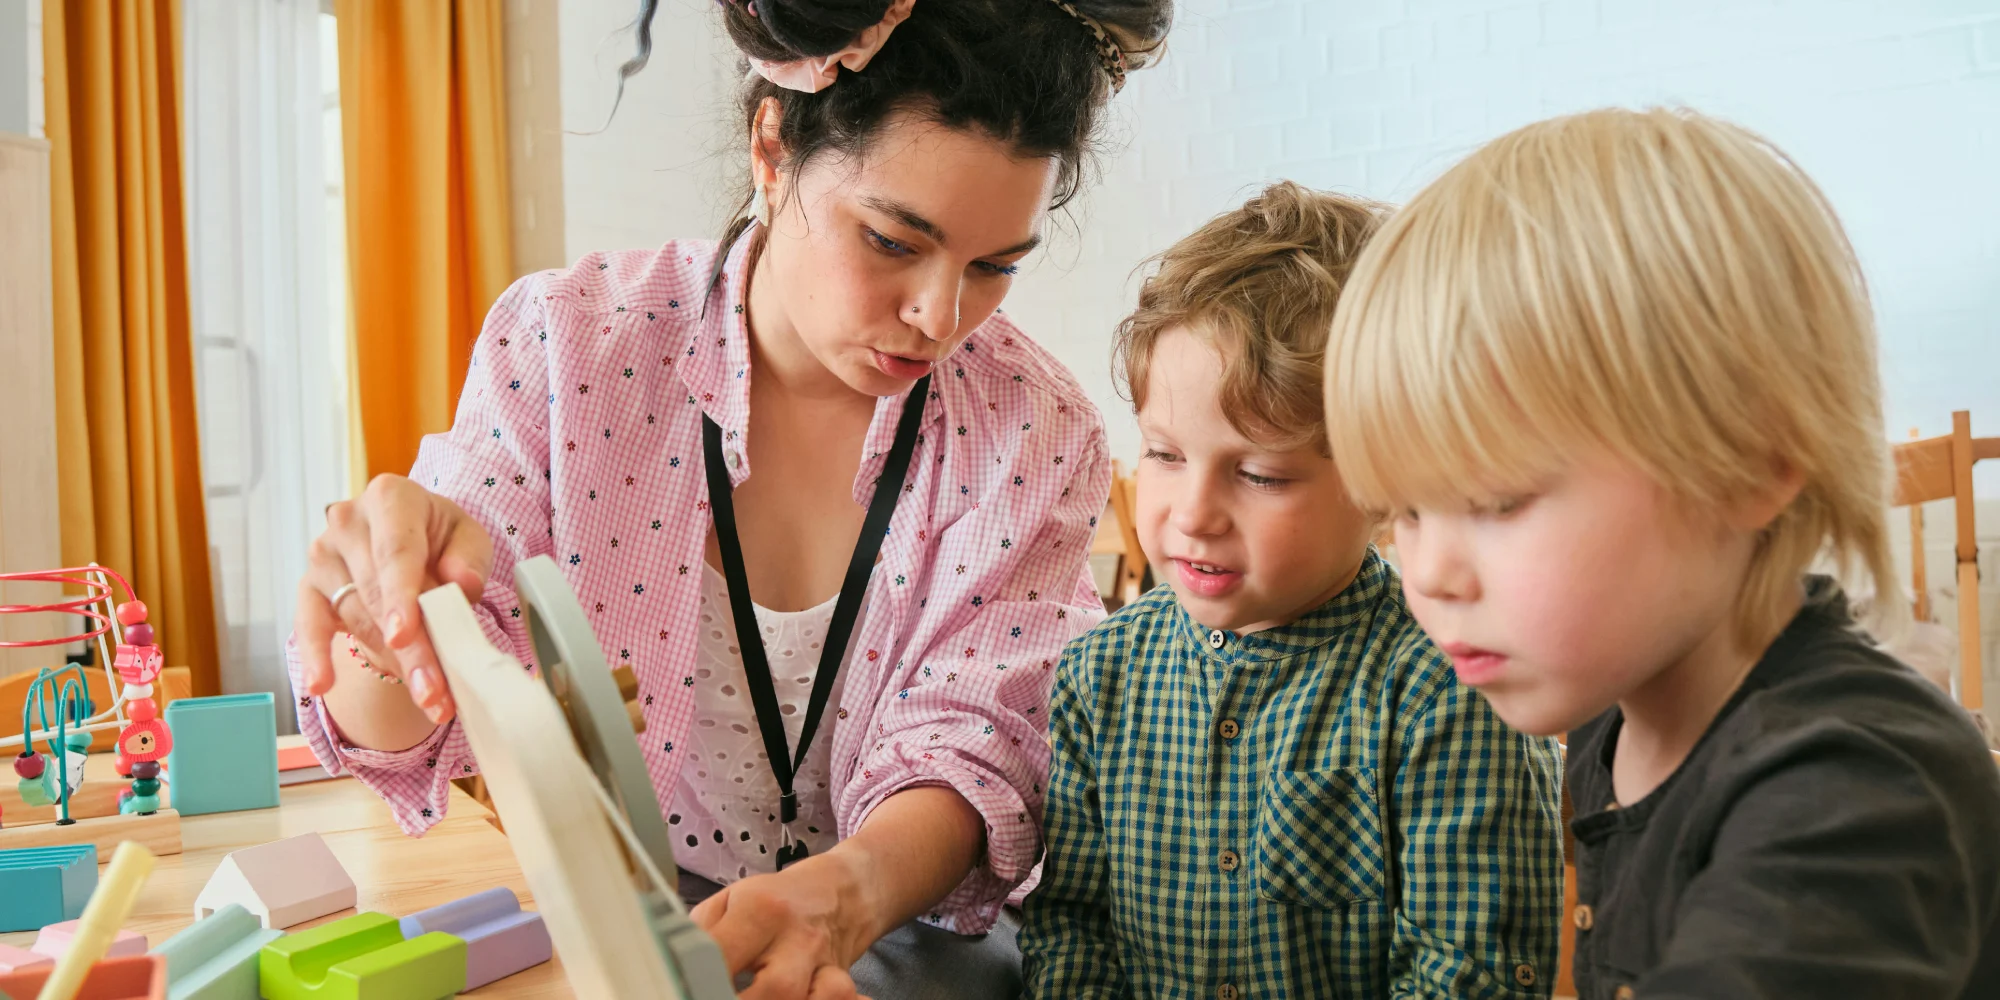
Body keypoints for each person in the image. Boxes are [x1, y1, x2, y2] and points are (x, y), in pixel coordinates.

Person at [287, 1, 1173, 997]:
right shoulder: (571, 345)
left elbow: (979, 737)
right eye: (890, 241)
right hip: (638, 926)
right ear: (770, 148)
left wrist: (840, 897)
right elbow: (423, 712)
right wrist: (382, 619)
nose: (937, 315)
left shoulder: (1030, 424)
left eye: (993, 266)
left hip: (905, 924)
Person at [1323, 107, 2000, 999]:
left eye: (1497, 501)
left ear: (1749, 465)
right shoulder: (1616, 716)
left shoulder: (1854, 792)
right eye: (1402, 513)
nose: (1429, 576)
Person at [1020, 182, 1567, 998]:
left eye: (1260, 475)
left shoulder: (1451, 689)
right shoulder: (1099, 677)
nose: (1194, 515)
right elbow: (1071, 925)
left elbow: (1472, 974)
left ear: (1385, 483)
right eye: (1165, 454)